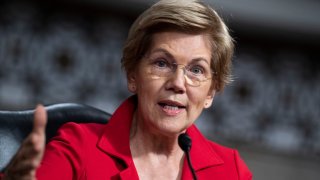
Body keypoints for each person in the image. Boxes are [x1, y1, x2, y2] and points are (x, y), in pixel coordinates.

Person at [1, 0, 252, 179]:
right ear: (133, 75)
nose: (177, 83)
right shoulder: (78, 147)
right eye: (162, 63)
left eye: (196, 70)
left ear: (211, 92)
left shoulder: (231, 171)